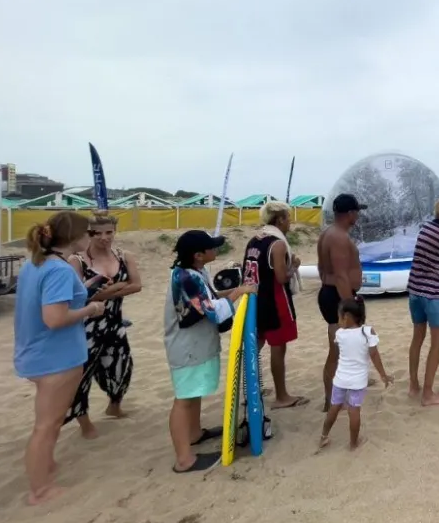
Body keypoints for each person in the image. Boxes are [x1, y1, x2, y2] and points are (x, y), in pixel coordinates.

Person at [14, 212, 104, 505]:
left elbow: (53, 303)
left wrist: (86, 292)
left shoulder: (37, 263)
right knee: (47, 424)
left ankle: (45, 467)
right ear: (74, 237)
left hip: (38, 354)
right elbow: (54, 318)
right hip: (55, 358)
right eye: (88, 233)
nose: (91, 238)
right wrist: (90, 310)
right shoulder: (60, 270)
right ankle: (40, 490)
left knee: (47, 422)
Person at [165, 230, 255, 473]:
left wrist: (236, 290)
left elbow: (210, 297)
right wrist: (239, 292)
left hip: (196, 345)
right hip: (187, 348)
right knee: (184, 398)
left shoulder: (195, 272)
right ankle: (184, 459)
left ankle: (194, 433)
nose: (216, 250)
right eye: (211, 247)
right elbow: (210, 309)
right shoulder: (186, 278)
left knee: (194, 392)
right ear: (198, 255)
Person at [65, 214, 143, 438]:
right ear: (88, 234)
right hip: (86, 326)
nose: (103, 237)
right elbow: (80, 297)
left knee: (122, 368)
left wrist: (106, 292)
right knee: (82, 375)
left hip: (115, 322)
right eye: (96, 233)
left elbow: (137, 285)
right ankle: (85, 423)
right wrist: (117, 287)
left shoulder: (124, 255)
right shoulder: (77, 260)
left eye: (108, 232)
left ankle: (114, 405)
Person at [243, 202, 307, 409]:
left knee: (256, 345)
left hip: (256, 299)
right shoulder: (277, 244)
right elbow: (281, 277)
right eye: (288, 218)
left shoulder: (254, 240)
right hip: (275, 300)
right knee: (278, 347)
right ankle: (282, 396)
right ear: (279, 220)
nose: (290, 222)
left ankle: (249, 390)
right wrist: (294, 266)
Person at [320, 297, 393, 451]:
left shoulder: (339, 334)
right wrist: (383, 375)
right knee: (354, 411)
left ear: (346, 317)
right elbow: (374, 355)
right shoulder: (367, 332)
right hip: (357, 382)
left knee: (334, 407)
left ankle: (324, 436)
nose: (338, 320)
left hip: (340, 380)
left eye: (339, 316)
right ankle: (353, 443)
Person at [407, 197, 439, 407]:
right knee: (438, 343)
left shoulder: (425, 228)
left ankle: (414, 385)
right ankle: (428, 394)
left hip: (415, 290)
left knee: (417, 338)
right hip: (434, 294)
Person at [317, 193, 365, 412]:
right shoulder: (339, 237)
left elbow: (321, 269)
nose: (358, 215)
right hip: (338, 296)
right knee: (337, 351)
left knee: (343, 348)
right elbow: (341, 276)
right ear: (350, 213)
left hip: (331, 293)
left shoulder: (328, 233)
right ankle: (331, 400)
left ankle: (336, 395)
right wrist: (349, 305)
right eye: (357, 211)